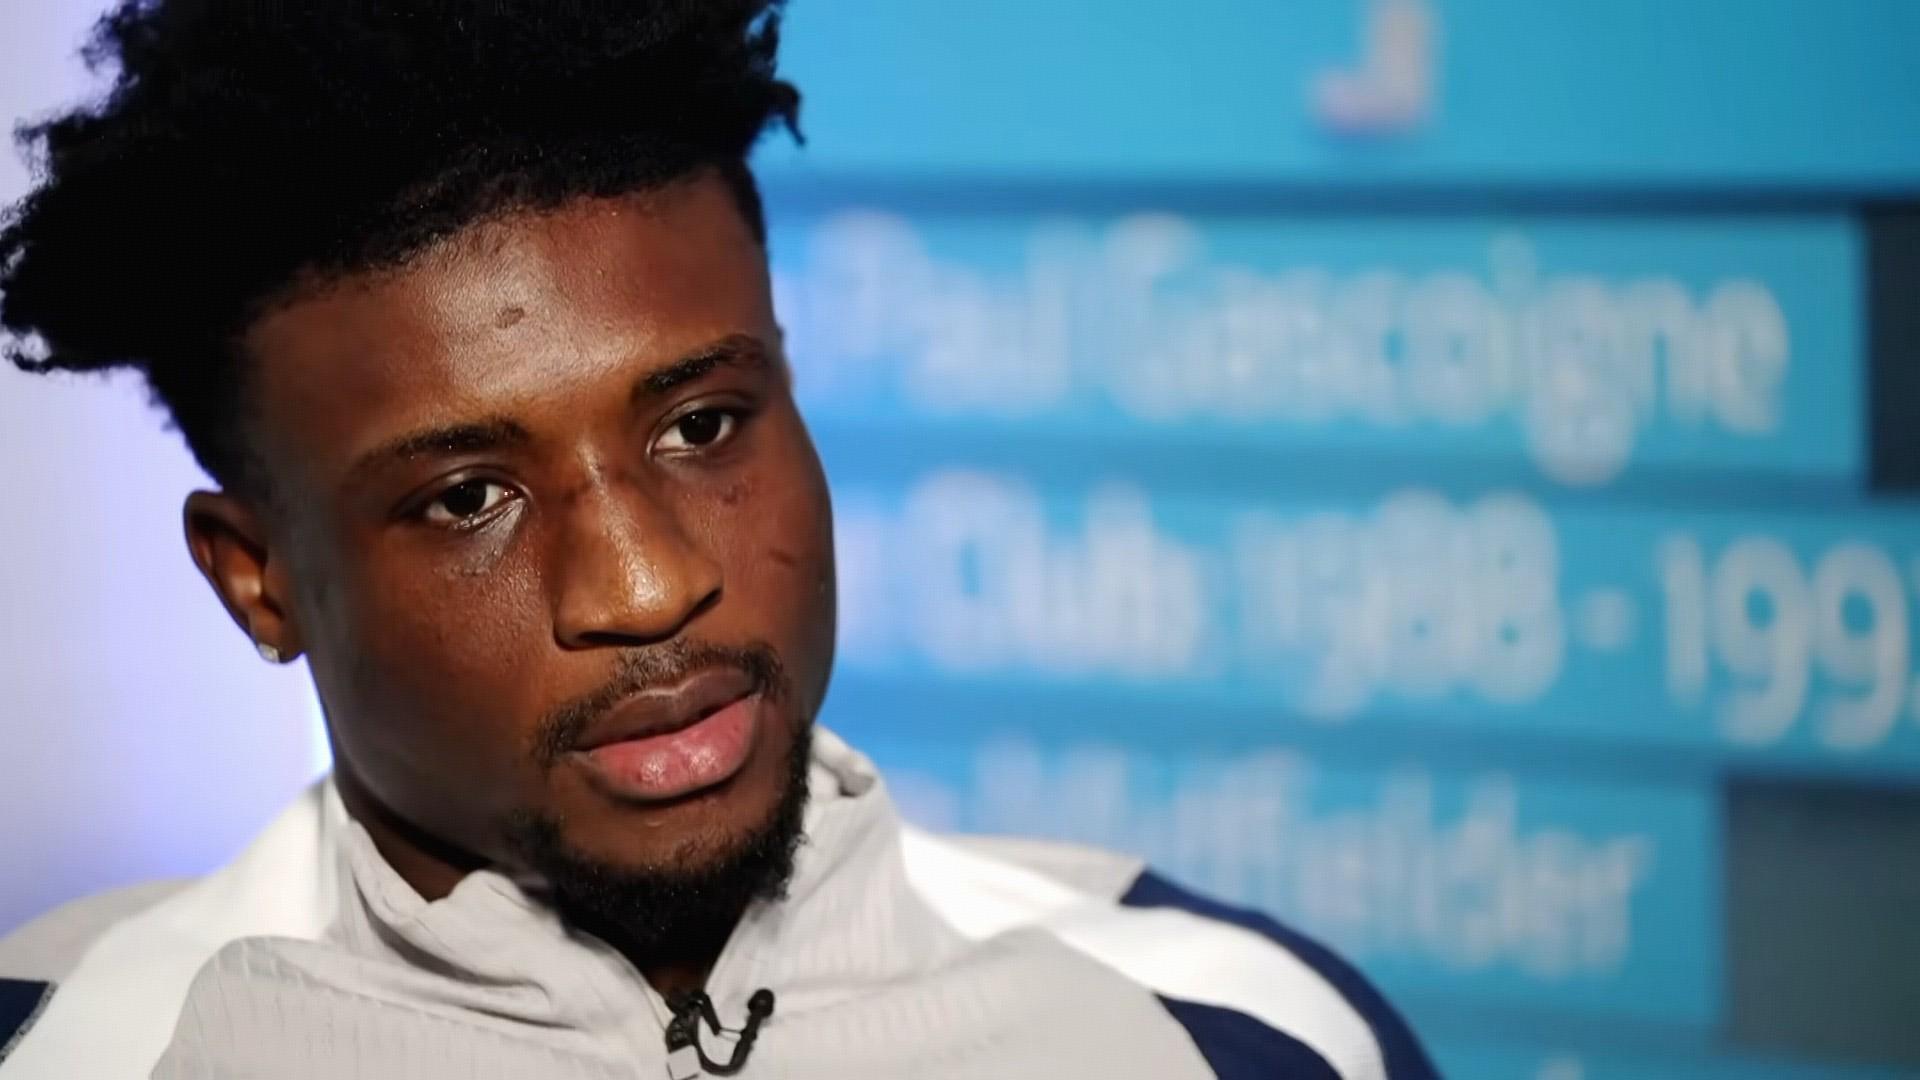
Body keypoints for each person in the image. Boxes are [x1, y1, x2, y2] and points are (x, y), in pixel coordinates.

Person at [0, 2, 1438, 1077]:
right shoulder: (75, 1047)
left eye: (701, 425)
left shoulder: (1235, 1034)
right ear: (256, 579)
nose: (648, 586)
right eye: (467, 499)